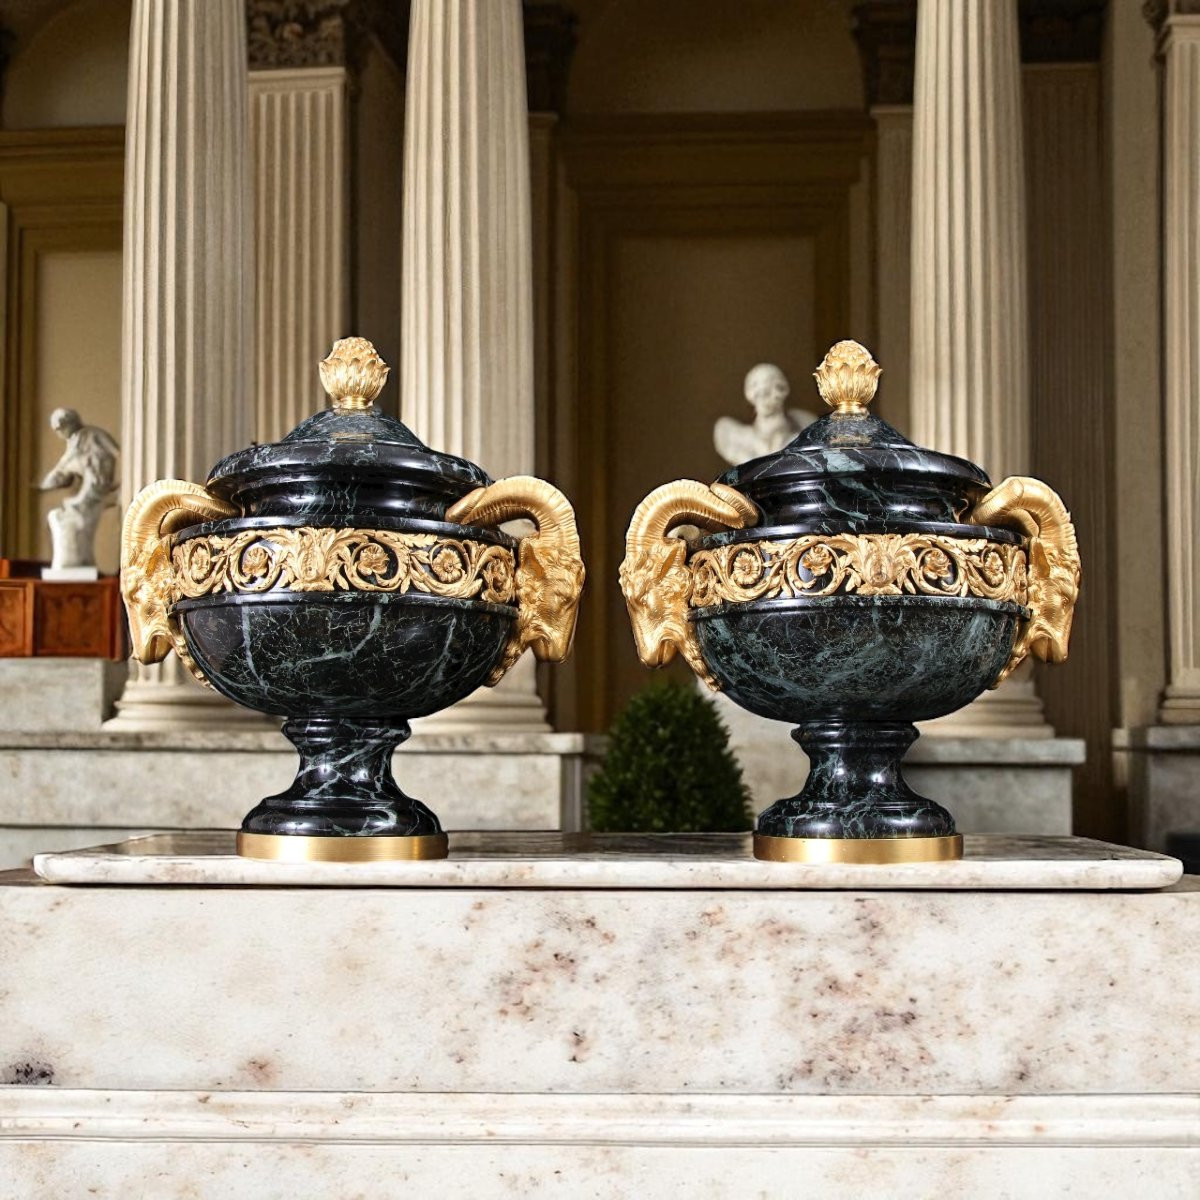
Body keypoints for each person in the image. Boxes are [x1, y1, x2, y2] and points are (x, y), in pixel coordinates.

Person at [713, 363, 816, 466]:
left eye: (768, 392)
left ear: (782, 392)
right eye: (759, 393)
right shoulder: (743, 439)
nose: (764, 399)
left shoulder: (800, 436)